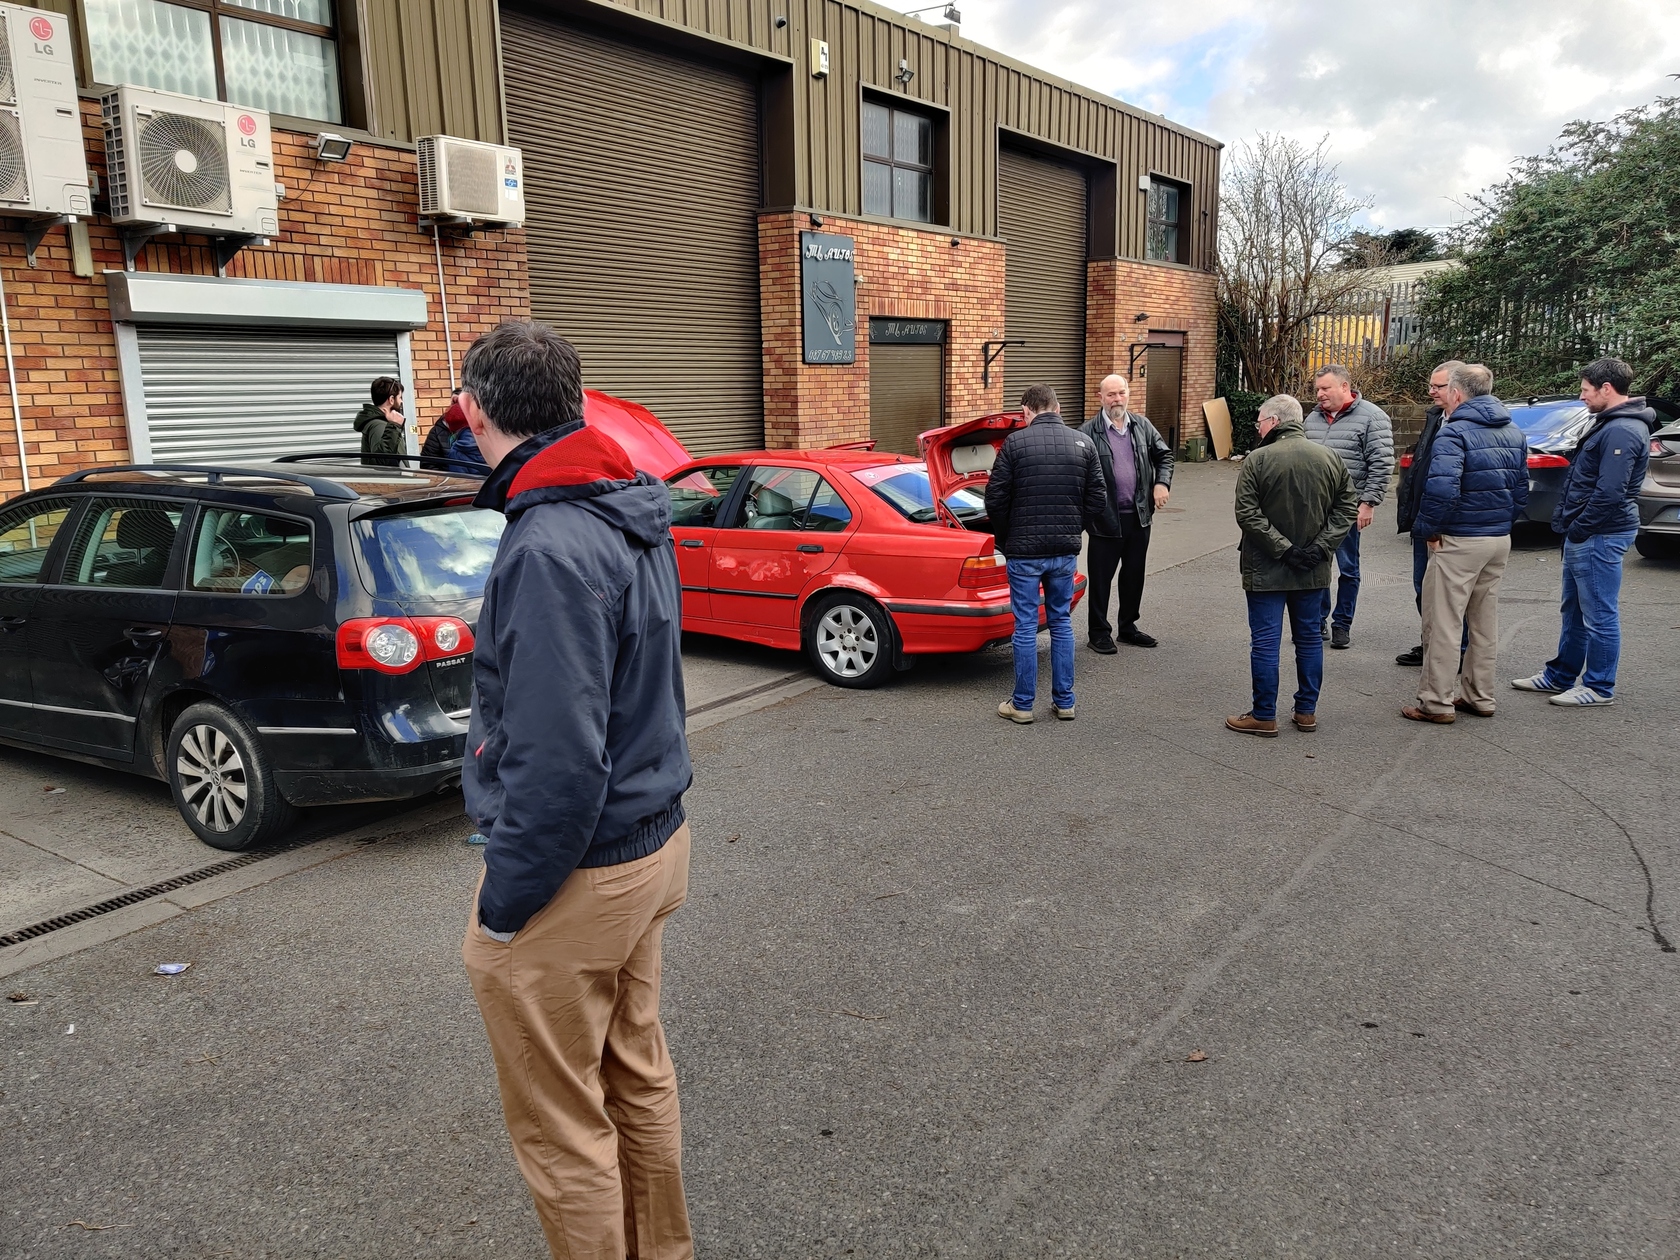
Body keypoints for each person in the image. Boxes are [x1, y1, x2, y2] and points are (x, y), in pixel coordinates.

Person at [457, 320, 695, 1260]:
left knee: (563, 1127)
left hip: (583, 869)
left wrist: (504, 907)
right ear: (572, 403)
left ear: (474, 411)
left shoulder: (548, 544)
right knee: (635, 1071)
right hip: (651, 839)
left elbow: (559, 764)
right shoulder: (624, 504)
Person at [1513, 356, 1654, 707]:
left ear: (1606, 388)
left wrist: (1580, 528)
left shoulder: (1622, 429)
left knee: (1599, 614)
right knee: (1575, 611)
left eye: (1586, 390)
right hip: (1590, 533)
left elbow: (1610, 492)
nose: (1582, 396)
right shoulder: (1610, 424)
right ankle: (1560, 675)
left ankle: (1599, 686)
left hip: (1600, 534)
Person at [1402, 363, 1527, 723]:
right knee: (1484, 622)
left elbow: (1441, 489)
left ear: (1456, 393)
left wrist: (1428, 529)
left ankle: (1436, 702)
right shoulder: (1513, 431)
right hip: (1497, 537)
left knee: (1443, 623)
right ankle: (1480, 696)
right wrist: (1502, 522)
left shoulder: (1454, 432)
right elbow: (1521, 489)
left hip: (1460, 538)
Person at [1227, 394, 1358, 737]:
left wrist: (1284, 550)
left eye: (1259, 421)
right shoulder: (1330, 457)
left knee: (1266, 642)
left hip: (1265, 566)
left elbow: (1247, 514)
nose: (1258, 428)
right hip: (1312, 568)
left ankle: (1263, 714)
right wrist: (1320, 548)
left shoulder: (1257, 460)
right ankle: (1306, 712)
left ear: (1273, 421)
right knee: (1310, 639)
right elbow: (1347, 508)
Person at [984, 383, 1107, 724]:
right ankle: (1065, 702)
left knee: (1025, 625)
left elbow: (995, 498)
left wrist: (1008, 538)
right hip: (1064, 551)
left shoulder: (1015, 443)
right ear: (1058, 407)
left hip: (1024, 553)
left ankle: (1022, 705)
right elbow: (1098, 498)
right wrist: (1073, 527)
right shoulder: (1084, 443)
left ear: (1026, 411)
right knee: (1061, 622)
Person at [1078, 373, 1174, 651]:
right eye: (1111, 394)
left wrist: (1161, 483)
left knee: (1133, 575)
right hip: (1105, 519)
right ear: (1100, 397)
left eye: (1121, 393)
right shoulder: (1087, 433)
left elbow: (1165, 456)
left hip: (1139, 516)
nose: (1117, 399)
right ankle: (1098, 632)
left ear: (1128, 395)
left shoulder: (1142, 426)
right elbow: (1078, 475)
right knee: (1101, 579)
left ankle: (1128, 627)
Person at [1303, 363, 1394, 648]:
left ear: (1344, 387)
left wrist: (1368, 503)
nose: (1319, 394)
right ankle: (1317, 622)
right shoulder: (1312, 419)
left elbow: (1381, 463)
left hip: (1347, 509)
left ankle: (1342, 624)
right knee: (1316, 566)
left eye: (1325, 388)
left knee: (1348, 569)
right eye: (1317, 389)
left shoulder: (1372, 417)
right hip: (1314, 509)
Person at [1393, 362, 1468, 667]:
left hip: (1450, 526)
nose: (1431, 392)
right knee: (1423, 588)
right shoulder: (1436, 417)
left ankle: (1457, 652)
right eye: (1431, 385)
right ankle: (1431, 644)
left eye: (1438, 387)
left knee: (1452, 595)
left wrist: (1437, 525)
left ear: (1457, 389)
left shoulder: (1467, 425)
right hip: (1424, 521)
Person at [354, 376, 406, 466]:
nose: (401, 402)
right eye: (400, 397)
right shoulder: (379, 425)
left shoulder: (385, 423)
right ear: (391, 399)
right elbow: (381, 462)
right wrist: (394, 426)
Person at [420, 388, 468, 467]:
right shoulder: (437, 432)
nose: (455, 407)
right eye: (453, 402)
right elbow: (428, 463)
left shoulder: (477, 431)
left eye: (458, 403)